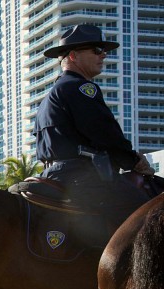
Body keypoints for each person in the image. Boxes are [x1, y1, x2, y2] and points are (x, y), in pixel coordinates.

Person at [35, 24, 155, 229]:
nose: (104, 55)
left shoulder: (53, 93)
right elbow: (103, 131)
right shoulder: (81, 87)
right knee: (150, 214)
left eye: (104, 51)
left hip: (54, 173)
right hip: (84, 178)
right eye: (96, 50)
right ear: (73, 56)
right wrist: (133, 161)